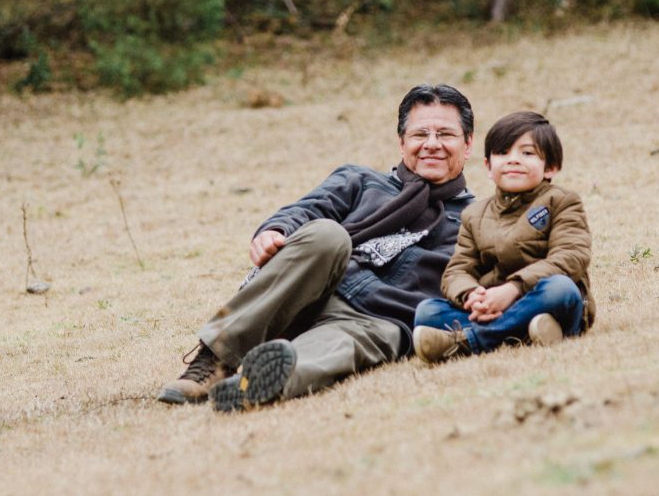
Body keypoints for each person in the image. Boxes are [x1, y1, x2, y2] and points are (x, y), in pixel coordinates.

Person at [157, 84, 476, 411]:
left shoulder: (476, 220)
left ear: (467, 145)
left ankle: (254, 385)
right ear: (402, 142)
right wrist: (275, 231)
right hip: (313, 286)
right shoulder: (361, 180)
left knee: (333, 348)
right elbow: (308, 209)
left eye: (446, 135)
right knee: (327, 234)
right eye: (420, 133)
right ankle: (213, 362)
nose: (432, 144)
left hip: (376, 319)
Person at [412, 111, 595, 363]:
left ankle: (471, 340)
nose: (513, 160)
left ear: (551, 167)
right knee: (427, 312)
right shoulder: (474, 214)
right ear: (488, 166)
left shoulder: (561, 201)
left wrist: (514, 289)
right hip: (495, 307)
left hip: (544, 299)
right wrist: (471, 294)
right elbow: (457, 270)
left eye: (527, 153)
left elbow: (571, 256)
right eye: (503, 152)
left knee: (560, 288)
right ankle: (528, 331)